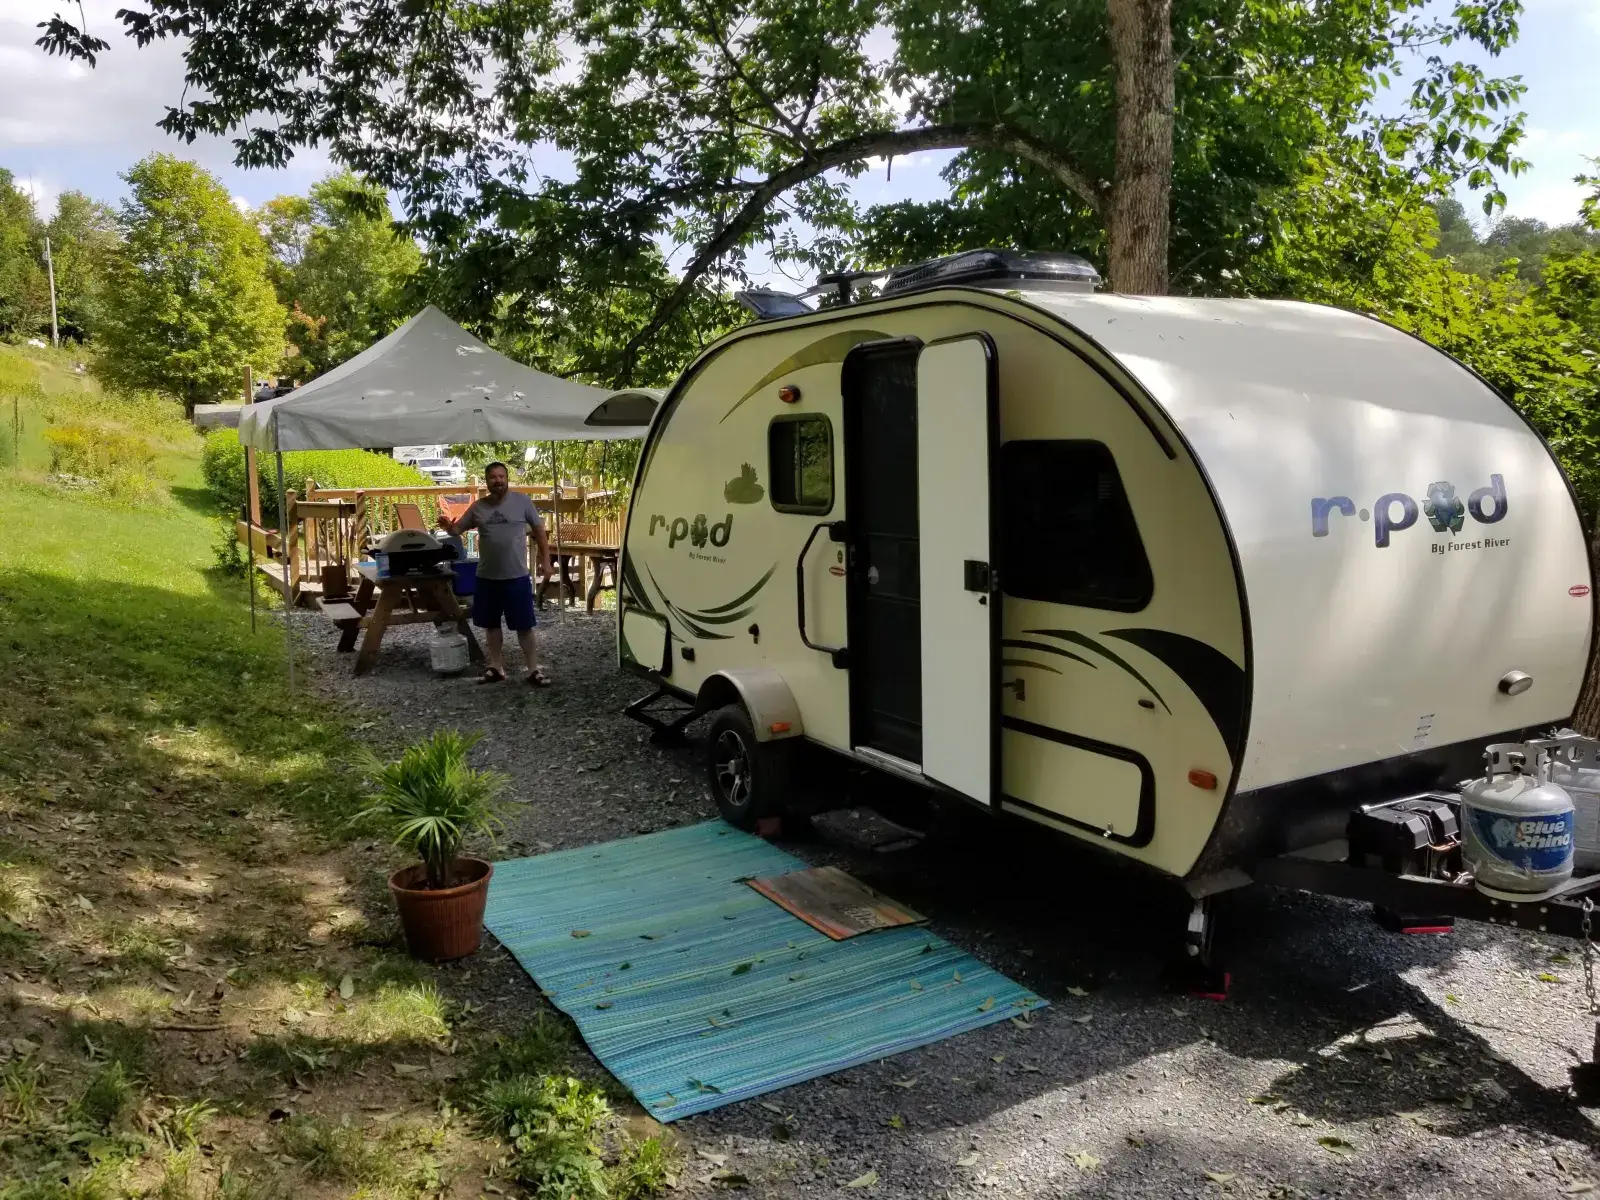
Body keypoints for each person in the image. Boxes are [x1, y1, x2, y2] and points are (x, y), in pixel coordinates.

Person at [440, 462, 554, 685]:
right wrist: (447, 527)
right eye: (493, 477)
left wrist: (546, 561)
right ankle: (496, 667)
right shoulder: (478, 507)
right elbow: (457, 529)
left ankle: (533, 670)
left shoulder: (522, 501)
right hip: (487, 577)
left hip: (517, 576)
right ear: (487, 481)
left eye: (501, 476)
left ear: (507, 478)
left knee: (524, 626)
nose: (498, 481)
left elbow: (539, 531)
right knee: (491, 625)